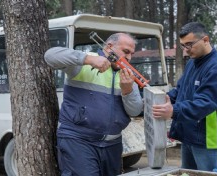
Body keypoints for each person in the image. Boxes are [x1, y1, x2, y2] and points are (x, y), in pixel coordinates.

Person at [44, 33, 143, 176]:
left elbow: (134, 111)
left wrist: (127, 90)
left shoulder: (128, 74)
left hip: (112, 144)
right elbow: (50, 56)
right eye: (126, 51)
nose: (129, 57)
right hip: (78, 141)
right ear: (109, 47)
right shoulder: (85, 61)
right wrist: (88, 59)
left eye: (132, 54)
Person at [152, 22, 217, 172]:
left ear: (205, 40)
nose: (185, 51)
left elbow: (205, 103)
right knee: (188, 174)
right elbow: (180, 90)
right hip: (189, 135)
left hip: (208, 140)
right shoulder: (193, 63)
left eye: (189, 45)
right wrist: (162, 99)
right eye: (183, 46)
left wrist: (173, 111)